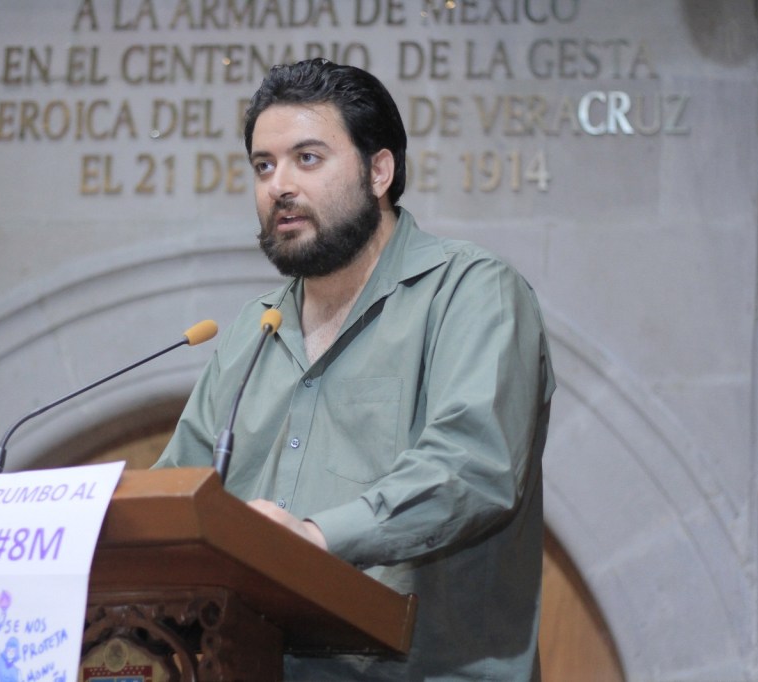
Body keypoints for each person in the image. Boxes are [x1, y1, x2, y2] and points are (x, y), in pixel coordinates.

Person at [154, 58, 555, 681]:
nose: (279, 186)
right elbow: (177, 495)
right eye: (264, 166)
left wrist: (315, 538)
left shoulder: (471, 292)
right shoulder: (253, 329)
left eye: (307, 158)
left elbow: (473, 466)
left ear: (378, 171)